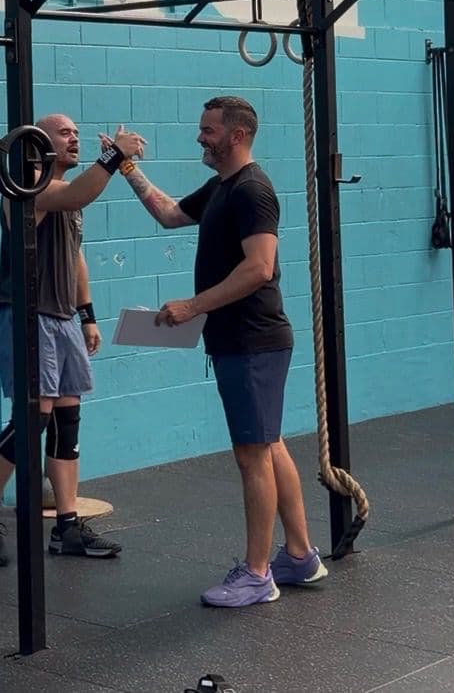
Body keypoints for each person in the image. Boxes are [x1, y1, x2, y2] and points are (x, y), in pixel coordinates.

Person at [104, 96, 327, 605]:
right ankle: (299, 556)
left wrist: (192, 306)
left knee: (252, 455)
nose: (200, 138)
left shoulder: (252, 190)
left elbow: (260, 267)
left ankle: (257, 575)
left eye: (208, 130)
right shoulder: (222, 187)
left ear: (237, 135)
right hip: (242, 342)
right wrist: (124, 166)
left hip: (252, 341)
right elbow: (168, 213)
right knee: (269, 445)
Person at [0, 114, 141, 564]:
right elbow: (78, 192)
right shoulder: (26, 188)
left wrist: (87, 316)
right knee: (34, 418)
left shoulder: (67, 196)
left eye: (77, 133)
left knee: (66, 421)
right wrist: (113, 156)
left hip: (61, 318)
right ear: (38, 143)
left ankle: (67, 527)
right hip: (26, 315)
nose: (74, 138)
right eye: (64, 133)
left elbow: (76, 256)